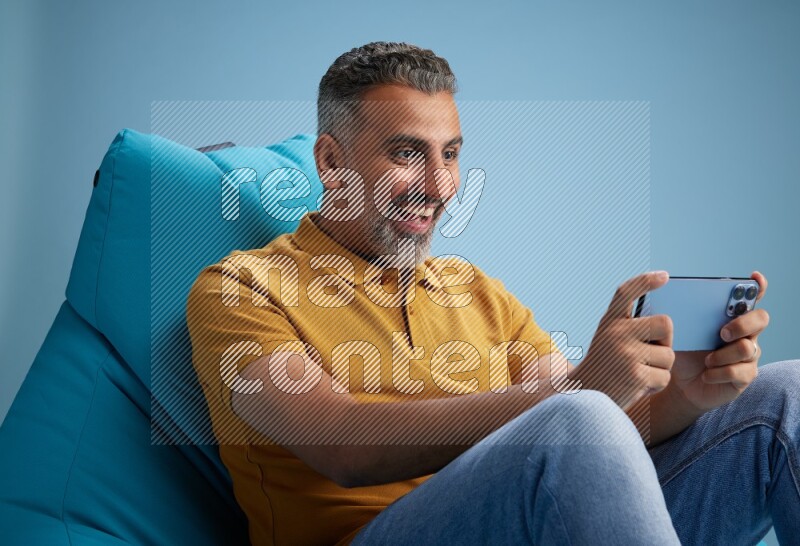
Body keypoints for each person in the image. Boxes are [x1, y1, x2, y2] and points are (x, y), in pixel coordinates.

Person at [186, 42, 798, 545]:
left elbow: (599, 435)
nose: (439, 185)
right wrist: (580, 392)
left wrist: (687, 398)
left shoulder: (474, 291)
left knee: (785, 394)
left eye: (450, 154)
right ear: (329, 160)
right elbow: (342, 443)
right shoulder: (239, 288)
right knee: (576, 413)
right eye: (407, 154)